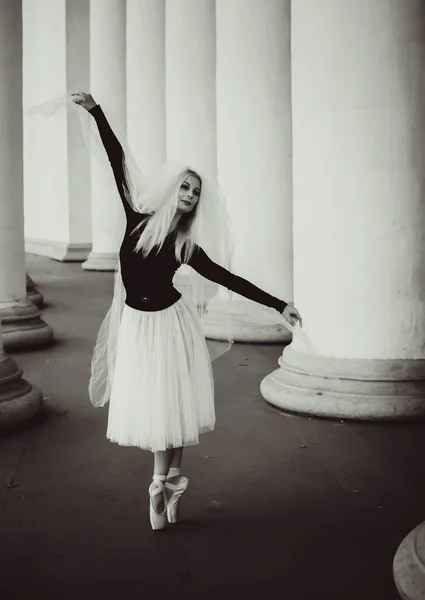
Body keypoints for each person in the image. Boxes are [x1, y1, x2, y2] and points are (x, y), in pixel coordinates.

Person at [71, 91, 302, 531]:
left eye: (196, 193)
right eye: (185, 186)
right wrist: (97, 112)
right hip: (140, 327)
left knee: (171, 408)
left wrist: (279, 305)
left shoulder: (186, 245)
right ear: (172, 187)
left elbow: (229, 279)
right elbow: (117, 159)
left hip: (171, 326)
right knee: (166, 409)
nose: (191, 195)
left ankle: (159, 485)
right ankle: (171, 482)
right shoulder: (136, 216)